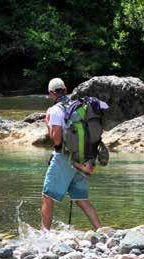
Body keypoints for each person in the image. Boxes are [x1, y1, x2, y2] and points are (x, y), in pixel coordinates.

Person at [41, 78, 102, 231]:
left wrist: (47, 123)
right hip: (83, 158)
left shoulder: (55, 110)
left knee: (47, 196)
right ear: (66, 89)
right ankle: (101, 231)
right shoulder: (78, 107)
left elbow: (56, 138)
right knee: (82, 199)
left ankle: (44, 234)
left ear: (50, 94)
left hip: (65, 158)